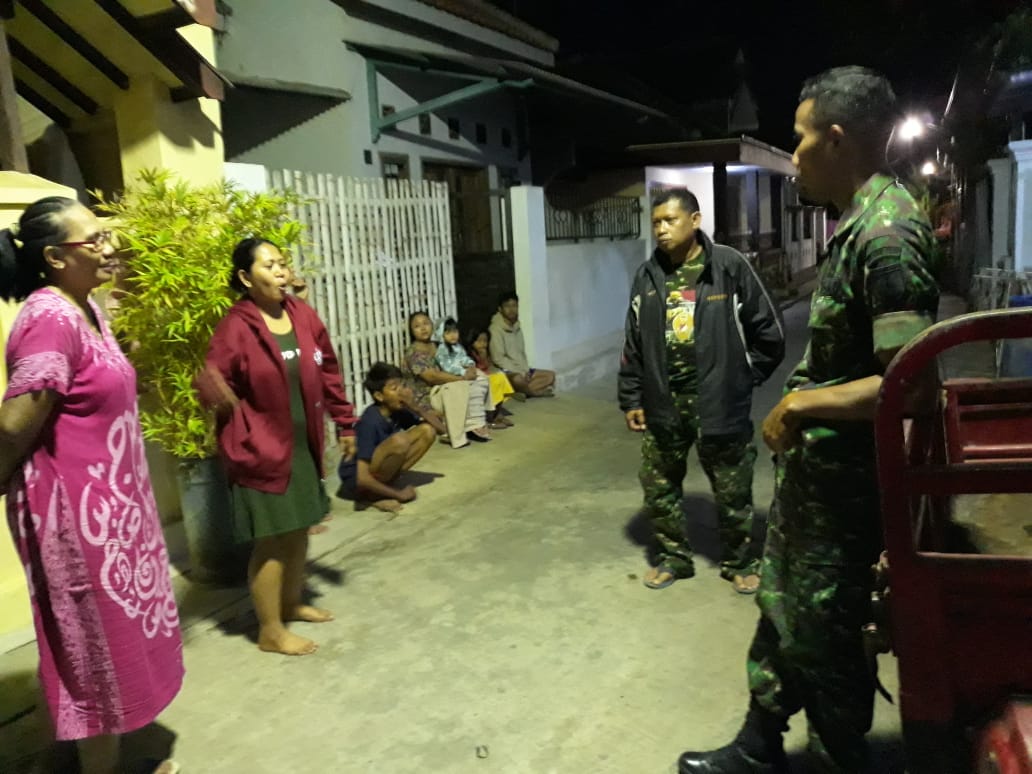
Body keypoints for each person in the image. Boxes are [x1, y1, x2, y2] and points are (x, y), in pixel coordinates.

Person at [677, 66, 939, 774]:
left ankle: (832, 758)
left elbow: (910, 386)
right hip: (818, 482)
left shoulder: (887, 236)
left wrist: (801, 402)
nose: (791, 156)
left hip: (850, 492)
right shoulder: (855, 223)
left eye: (797, 140)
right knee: (782, 610)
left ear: (836, 138)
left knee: (825, 637)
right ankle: (760, 745)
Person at [0, 197, 182, 774]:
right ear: (55, 256)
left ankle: (85, 758)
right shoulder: (48, 318)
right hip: (75, 521)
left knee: (112, 643)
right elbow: (13, 426)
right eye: (94, 240)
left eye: (106, 236)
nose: (108, 247)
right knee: (94, 653)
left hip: (111, 510)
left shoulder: (86, 307)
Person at [196, 237, 358, 657]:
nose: (281, 271)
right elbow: (210, 380)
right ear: (246, 278)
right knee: (271, 540)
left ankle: (290, 603)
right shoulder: (236, 326)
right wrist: (230, 408)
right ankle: (270, 629)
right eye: (269, 266)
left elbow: (329, 371)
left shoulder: (301, 314)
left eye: (282, 263)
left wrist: (344, 421)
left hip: (302, 446)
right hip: (261, 450)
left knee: (299, 530)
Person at [619, 187, 785, 592]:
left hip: (718, 404)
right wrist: (632, 397)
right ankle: (674, 557)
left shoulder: (729, 267)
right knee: (658, 487)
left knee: (733, 490)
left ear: (694, 221)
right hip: (664, 404)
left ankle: (740, 561)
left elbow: (770, 334)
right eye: (656, 222)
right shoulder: (648, 275)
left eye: (669, 220)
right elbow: (634, 343)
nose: (660, 229)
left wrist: (742, 378)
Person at [337, 362, 444, 512]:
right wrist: (399, 494)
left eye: (401, 386)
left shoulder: (397, 411)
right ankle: (371, 496)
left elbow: (440, 430)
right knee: (400, 441)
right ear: (379, 396)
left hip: (374, 470)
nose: (401, 391)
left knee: (427, 431)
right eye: (394, 388)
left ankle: (382, 487)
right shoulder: (370, 421)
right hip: (356, 480)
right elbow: (361, 477)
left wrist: (415, 406)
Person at [402, 311, 491, 446]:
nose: (423, 328)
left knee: (480, 377)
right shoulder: (414, 353)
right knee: (457, 386)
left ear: (432, 325)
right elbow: (432, 377)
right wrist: (462, 378)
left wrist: (471, 368)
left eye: (426, 323)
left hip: (444, 387)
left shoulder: (439, 345)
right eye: (417, 326)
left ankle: (479, 421)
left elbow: (459, 359)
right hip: (428, 397)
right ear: (412, 331)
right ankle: (462, 432)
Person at [435, 317, 508, 430]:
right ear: (442, 334)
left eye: (455, 331)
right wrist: (463, 372)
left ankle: (490, 414)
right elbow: (447, 366)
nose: (452, 335)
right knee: (480, 382)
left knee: (486, 378)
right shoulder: (442, 350)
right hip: (452, 377)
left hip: (464, 373)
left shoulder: (458, 347)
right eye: (448, 332)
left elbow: (464, 358)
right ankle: (488, 418)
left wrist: (470, 365)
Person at [489, 291, 556, 397]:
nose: (511, 310)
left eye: (514, 306)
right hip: (508, 372)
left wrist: (526, 371)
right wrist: (519, 372)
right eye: (507, 306)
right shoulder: (495, 329)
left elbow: (521, 353)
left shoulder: (517, 327)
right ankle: (533, 392)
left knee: (550, 376)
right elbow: (498, 359)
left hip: (522, 370)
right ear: (500, 309)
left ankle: (522, 392)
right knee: (518, 379)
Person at [467, 327, 515, 427]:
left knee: (500, 377)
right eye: (479, 341)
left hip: (486, 377)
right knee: (492, 382)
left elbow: (488, 367)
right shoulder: (470, 354)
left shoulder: (485, 352)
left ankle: (497, 413)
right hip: (476, 380)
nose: (483, 344)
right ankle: (490, 418)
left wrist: (484, 357)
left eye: (485, 341)